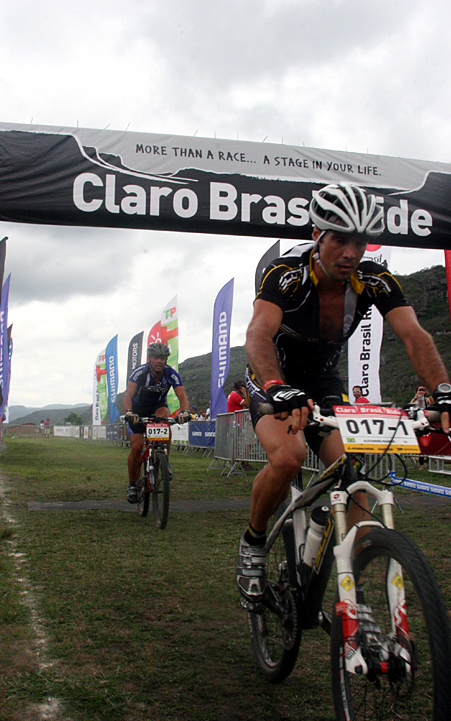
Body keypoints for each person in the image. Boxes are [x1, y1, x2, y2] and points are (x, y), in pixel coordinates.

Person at [237, 182, 451, 606]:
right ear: (317, 236)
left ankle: (352, 579)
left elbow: (413, 336)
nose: (351, 252)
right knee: (289, 457)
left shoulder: (373, 279)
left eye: (359, 241)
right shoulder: (287, 274)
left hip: (323, 383)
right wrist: (277, 386)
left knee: (351, 472)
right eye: (339, 239)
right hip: (274, 376)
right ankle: (254, 542)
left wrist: (443, 392)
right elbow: (258, 333)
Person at [122, 342, 190, 503]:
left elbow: (182, 396)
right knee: (137, 446)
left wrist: (185, 412)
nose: (159, 361)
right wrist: (129, 412)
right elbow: (127, 395)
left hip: (157, 407)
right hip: (137, 411)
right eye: (156, 357)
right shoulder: (140, 373)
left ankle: (165, 461)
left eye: (163, 358)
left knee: (164, 419)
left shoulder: (170, 374)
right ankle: (132, 484)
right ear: (150, 358)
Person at [411, 384, 431, 468]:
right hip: (418, 422)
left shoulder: (427, 400)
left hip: (426, 422)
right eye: (420, 389)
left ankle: (429, 462)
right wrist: (416, 398)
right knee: (421, 444)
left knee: (428, 443)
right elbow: (409, 406)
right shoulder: (415, 400)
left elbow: (430, 405)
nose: (421, 391)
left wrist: (425, 397)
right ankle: (421, 464)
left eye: (423, 389)